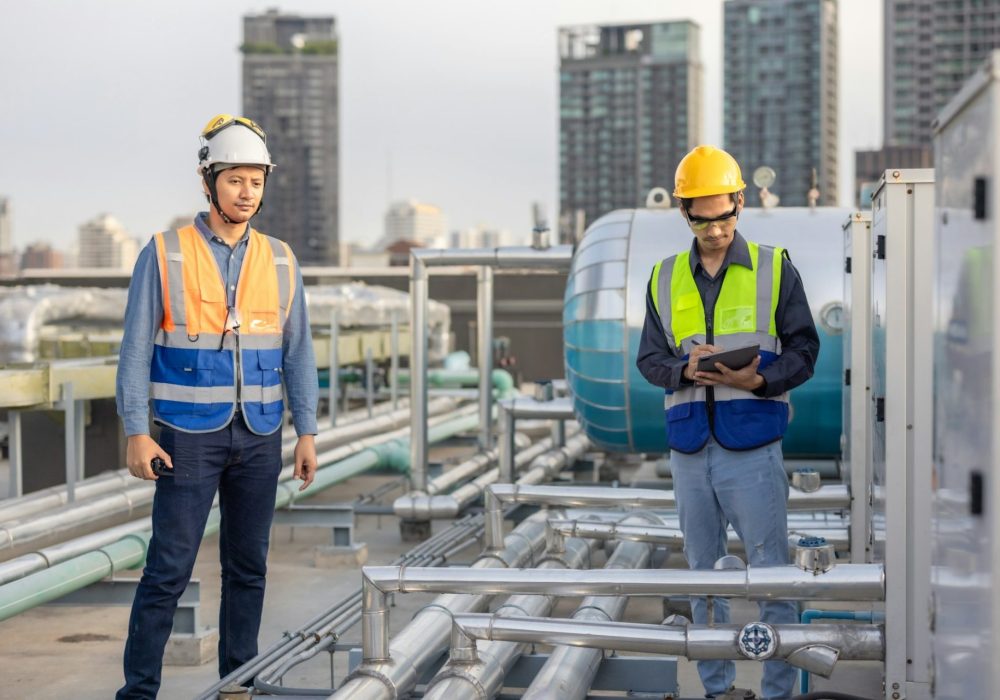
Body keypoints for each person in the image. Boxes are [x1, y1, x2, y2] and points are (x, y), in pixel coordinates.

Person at [114, 114, 319, 699]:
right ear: (208, 182)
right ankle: (139, 693)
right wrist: (136, 430)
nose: (247, 192)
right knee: (169, 570)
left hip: (259, 435)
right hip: (185, 437)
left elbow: (298, 351)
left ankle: (238, 687)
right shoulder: (165, 253)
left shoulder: (280, 260)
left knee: (248, 570)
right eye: (235, 180)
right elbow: (133, 350)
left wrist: (306, 431)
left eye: (256, 181)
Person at [636, 145, 819, 700]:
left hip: (753, 446)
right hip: (690, 448)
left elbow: (805, 350)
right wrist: (683, 369)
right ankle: (718, 689)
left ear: (740, 204)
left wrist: (758, 380)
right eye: (702, 218)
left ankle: (777, 692)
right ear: (684, 213)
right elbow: (649, 360)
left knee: (772, 575)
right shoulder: (664, 277)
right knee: (702, 576)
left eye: (725, 216)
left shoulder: (773, 267)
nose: (715, 229)